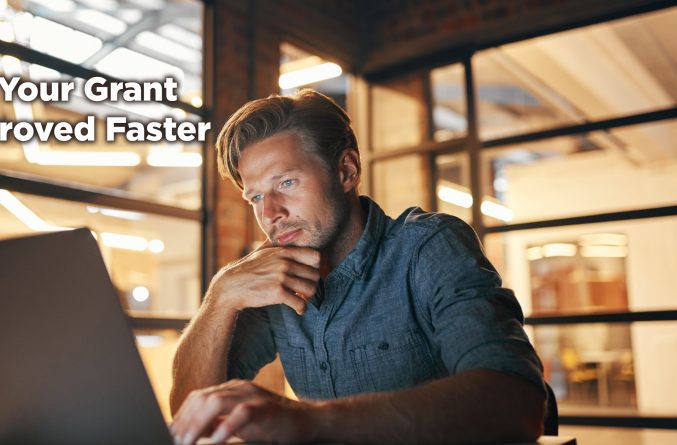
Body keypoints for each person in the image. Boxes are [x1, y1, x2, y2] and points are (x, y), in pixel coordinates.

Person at [169, 89, 546, 445]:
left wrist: (308, 421)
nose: (270, 214)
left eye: (286, 182)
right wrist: (220, 296)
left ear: (347, 171)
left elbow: (517, 402)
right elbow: (191, 412)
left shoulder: (428, 247)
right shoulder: (271, 277)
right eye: (255, 197)